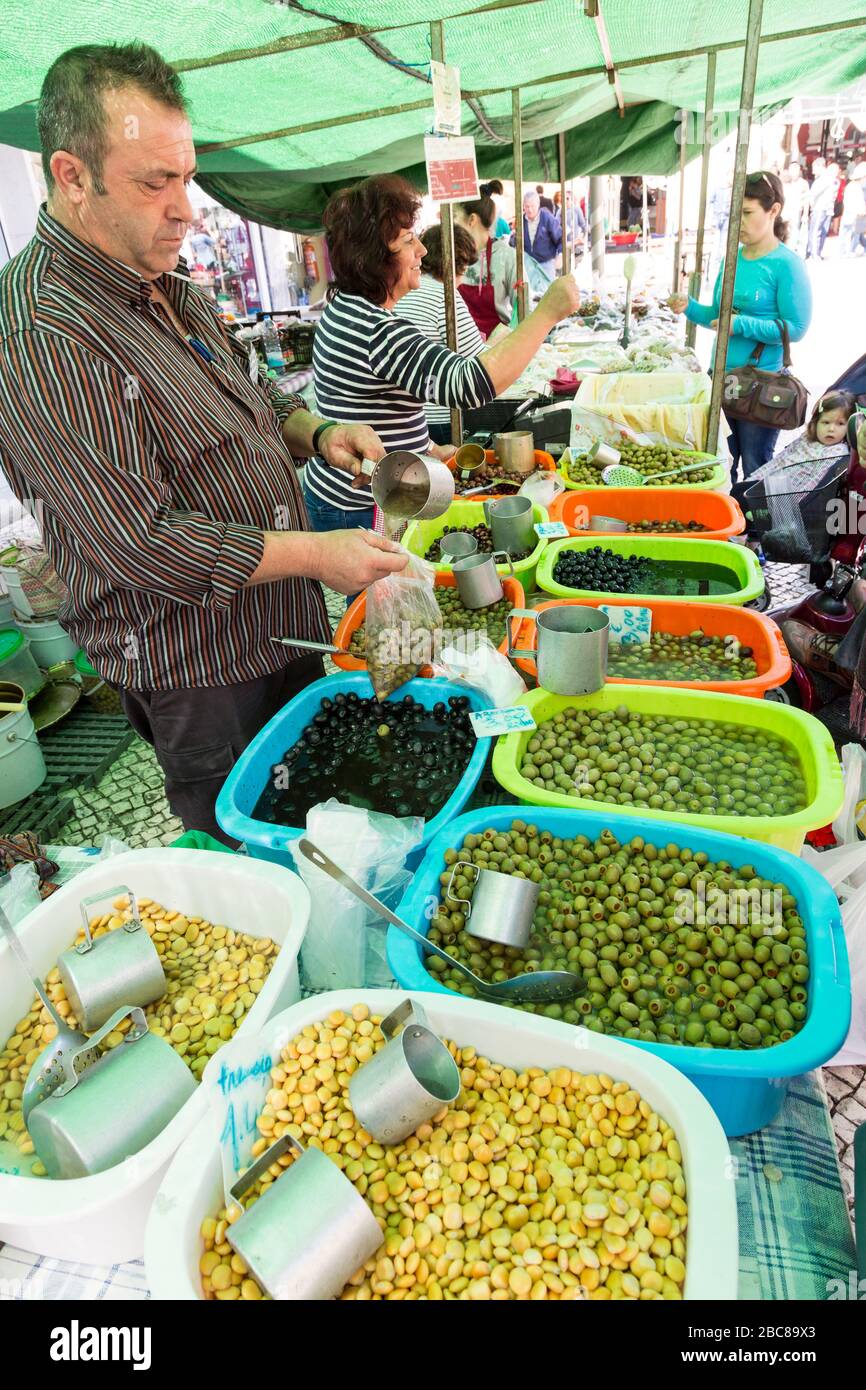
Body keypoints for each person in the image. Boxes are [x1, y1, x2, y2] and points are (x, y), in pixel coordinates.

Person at [0, 42, 408, 844]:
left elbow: (252, 398)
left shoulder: (171, 287)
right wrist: (320, 557)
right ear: (72, 176)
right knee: (250, 845)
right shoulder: (44, 331)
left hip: (280, 631)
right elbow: (137, 543)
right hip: (201, 671)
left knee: (321, 813)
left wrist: (319, 431)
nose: (185, 208)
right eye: (155, 182)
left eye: (185, 177)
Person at [306, 173, 580, 538]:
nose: (421, 251)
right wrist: (548, 312)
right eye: (408, 241)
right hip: (362, 504)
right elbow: (470, 385)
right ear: (375, 258)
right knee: (382, 596)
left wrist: (429, 447)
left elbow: (370, 406)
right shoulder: (377, 329)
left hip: (345, 495)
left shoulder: (344, 309)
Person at [668, 170, 812, 481]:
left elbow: (796, 328)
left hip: (760, 387)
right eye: (736, 213)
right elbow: (719, 319)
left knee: (755, 464)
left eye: (747, 213)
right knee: (719, 462)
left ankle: (756, 529)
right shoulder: (731, 259)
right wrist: (689, 307)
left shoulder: (786, 264)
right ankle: (726, 526)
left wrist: (742, 324)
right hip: (721, 379)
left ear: (773, 211)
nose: (739, 222)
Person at [393, 222, 484, 446]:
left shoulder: (403, 290)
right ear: (458, 264)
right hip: (441, 417)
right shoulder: (444, 296)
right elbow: (478, 360)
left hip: (410, 418)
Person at [511, 190, 561, 279]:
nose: (529, 210)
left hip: (546, 264)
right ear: (523, 206)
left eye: (532, 206)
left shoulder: (547, 217)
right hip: (528, 265)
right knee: (531, 292)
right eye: (527, 206)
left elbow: (560, 238)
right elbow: (516, 240)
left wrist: (560, 255)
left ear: (538, 205)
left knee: (548, 291)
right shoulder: (521, 220)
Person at [807, 158, 838, 260]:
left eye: (814, 168)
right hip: (827, 208)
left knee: (816, 231)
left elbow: (813, 193)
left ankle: (814, 254)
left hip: (820, 208)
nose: (812, 171)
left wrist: (810, 201)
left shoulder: (824, 178)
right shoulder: (830, 178)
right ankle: (817, 252)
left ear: (820, 166)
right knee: (822, 231)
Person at [783, 163, 809, 257]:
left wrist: (805, 214)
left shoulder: (803, 183)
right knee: (783, 231)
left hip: (796, 212)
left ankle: (791, 251)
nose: (794, 172)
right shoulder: (784, 181)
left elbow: (807, 200)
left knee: (794, 233)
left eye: (796, 170)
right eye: (792, 170)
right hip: (784, 212)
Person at [840, 162, 866, 257]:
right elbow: (857, 202)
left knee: (856, 233)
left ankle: (846, 251)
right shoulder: (856, 187)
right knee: (853, 233)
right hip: (854, 214)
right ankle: (847, 251)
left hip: (853, 213)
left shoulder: (852, 186)